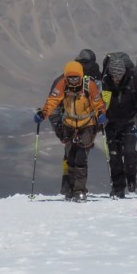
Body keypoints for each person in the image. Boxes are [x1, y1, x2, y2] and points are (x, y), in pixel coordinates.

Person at [35, 60, 107, 202]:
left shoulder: (89, 86)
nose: (73, 81)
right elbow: (52, 101)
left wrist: (101, 115)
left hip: (87, 125)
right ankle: (71, 189)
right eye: (70, 78)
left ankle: (80, 190)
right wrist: (43, 113)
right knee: (70, 157)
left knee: (80, 157)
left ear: (81, 76)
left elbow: (98, 103)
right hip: (68, 125)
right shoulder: (62, 84)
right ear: (66, 77)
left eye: (76, 78)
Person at [49, 49, 103, 198]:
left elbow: (54, 106)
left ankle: (70, 189)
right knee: (78, 156)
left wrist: (57, 126)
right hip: (86, 124)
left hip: (72, 124)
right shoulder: (96, 79)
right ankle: (77, 190)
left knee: (71, 156)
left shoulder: (64, 79)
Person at [100, 52, 137, 198]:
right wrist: (99, 115)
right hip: (111, 124)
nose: (116, 79)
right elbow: (101, 103)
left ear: (123, 73)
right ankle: (118, 188)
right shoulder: (105, 84)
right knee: (114, 157)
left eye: (118, 76)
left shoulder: (133, 82)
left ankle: (131, 178)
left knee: (129, 152)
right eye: (113, 76)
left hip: (130, 123)